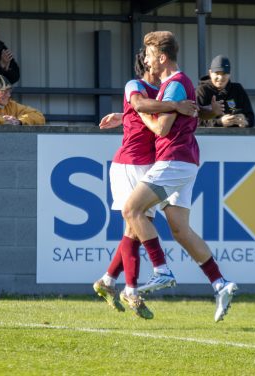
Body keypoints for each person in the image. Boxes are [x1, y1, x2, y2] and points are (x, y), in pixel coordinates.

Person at [122, 30, 238, 323]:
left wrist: (138, 116)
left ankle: (161, 269)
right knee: (180, 229)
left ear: (162, 57)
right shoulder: (177, 84)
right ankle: (220, 283)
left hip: (173, 160)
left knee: (131, 210)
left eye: (149, 55)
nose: (147, 61)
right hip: (185, 162)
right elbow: (190, 113)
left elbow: (161, 129)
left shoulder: (174, 84)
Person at [93, 49, 198, 319]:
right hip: (128, 164)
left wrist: (204, 109)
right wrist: (175, 106)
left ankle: (108, 281)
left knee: (135, 230)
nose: (151, 63)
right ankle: (132, 290)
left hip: (151, 164)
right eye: (149, 59)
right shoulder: (136, 86)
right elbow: (139, 104)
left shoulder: (165, 89)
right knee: (135, 224)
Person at [196, 55, 255, 128]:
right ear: (210, 73)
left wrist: (245, 121)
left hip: (236, 138)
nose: (220, 78)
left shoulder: (238, 89)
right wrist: (220, 122)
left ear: (230, 74)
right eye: (217, 73)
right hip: (210, 138)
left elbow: (251, 117)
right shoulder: (202, 91)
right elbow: (196, 120)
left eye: (224, 73)